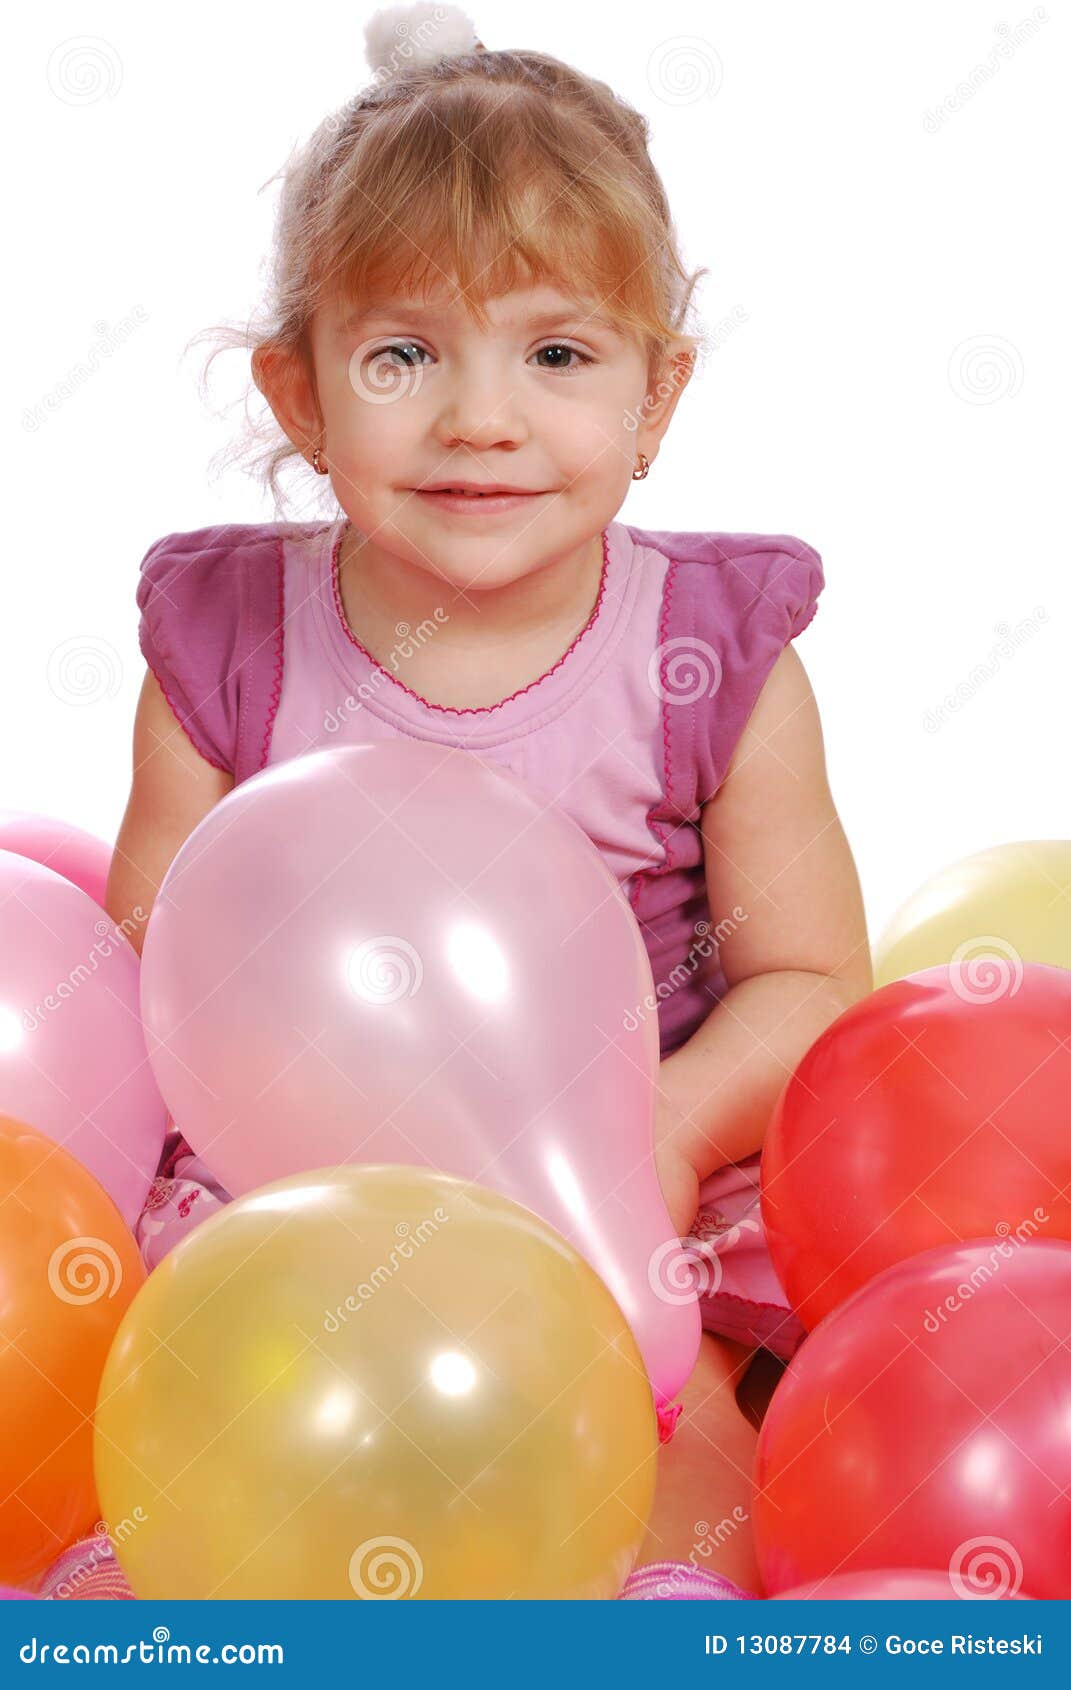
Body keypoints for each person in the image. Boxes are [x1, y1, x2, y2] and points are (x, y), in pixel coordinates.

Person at [102, 1, 872, 1600]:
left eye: (558, 353)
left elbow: (812, 981)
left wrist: (664, 1120)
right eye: (402, 354)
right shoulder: (226, 648)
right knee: (209, 1391)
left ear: (655, 401)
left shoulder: (714, 659)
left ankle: (656, 1591)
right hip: (301, 1182)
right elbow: (147, 968)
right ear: (299, 394)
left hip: (615, 1163)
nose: (480, 417)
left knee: (680, 1435)